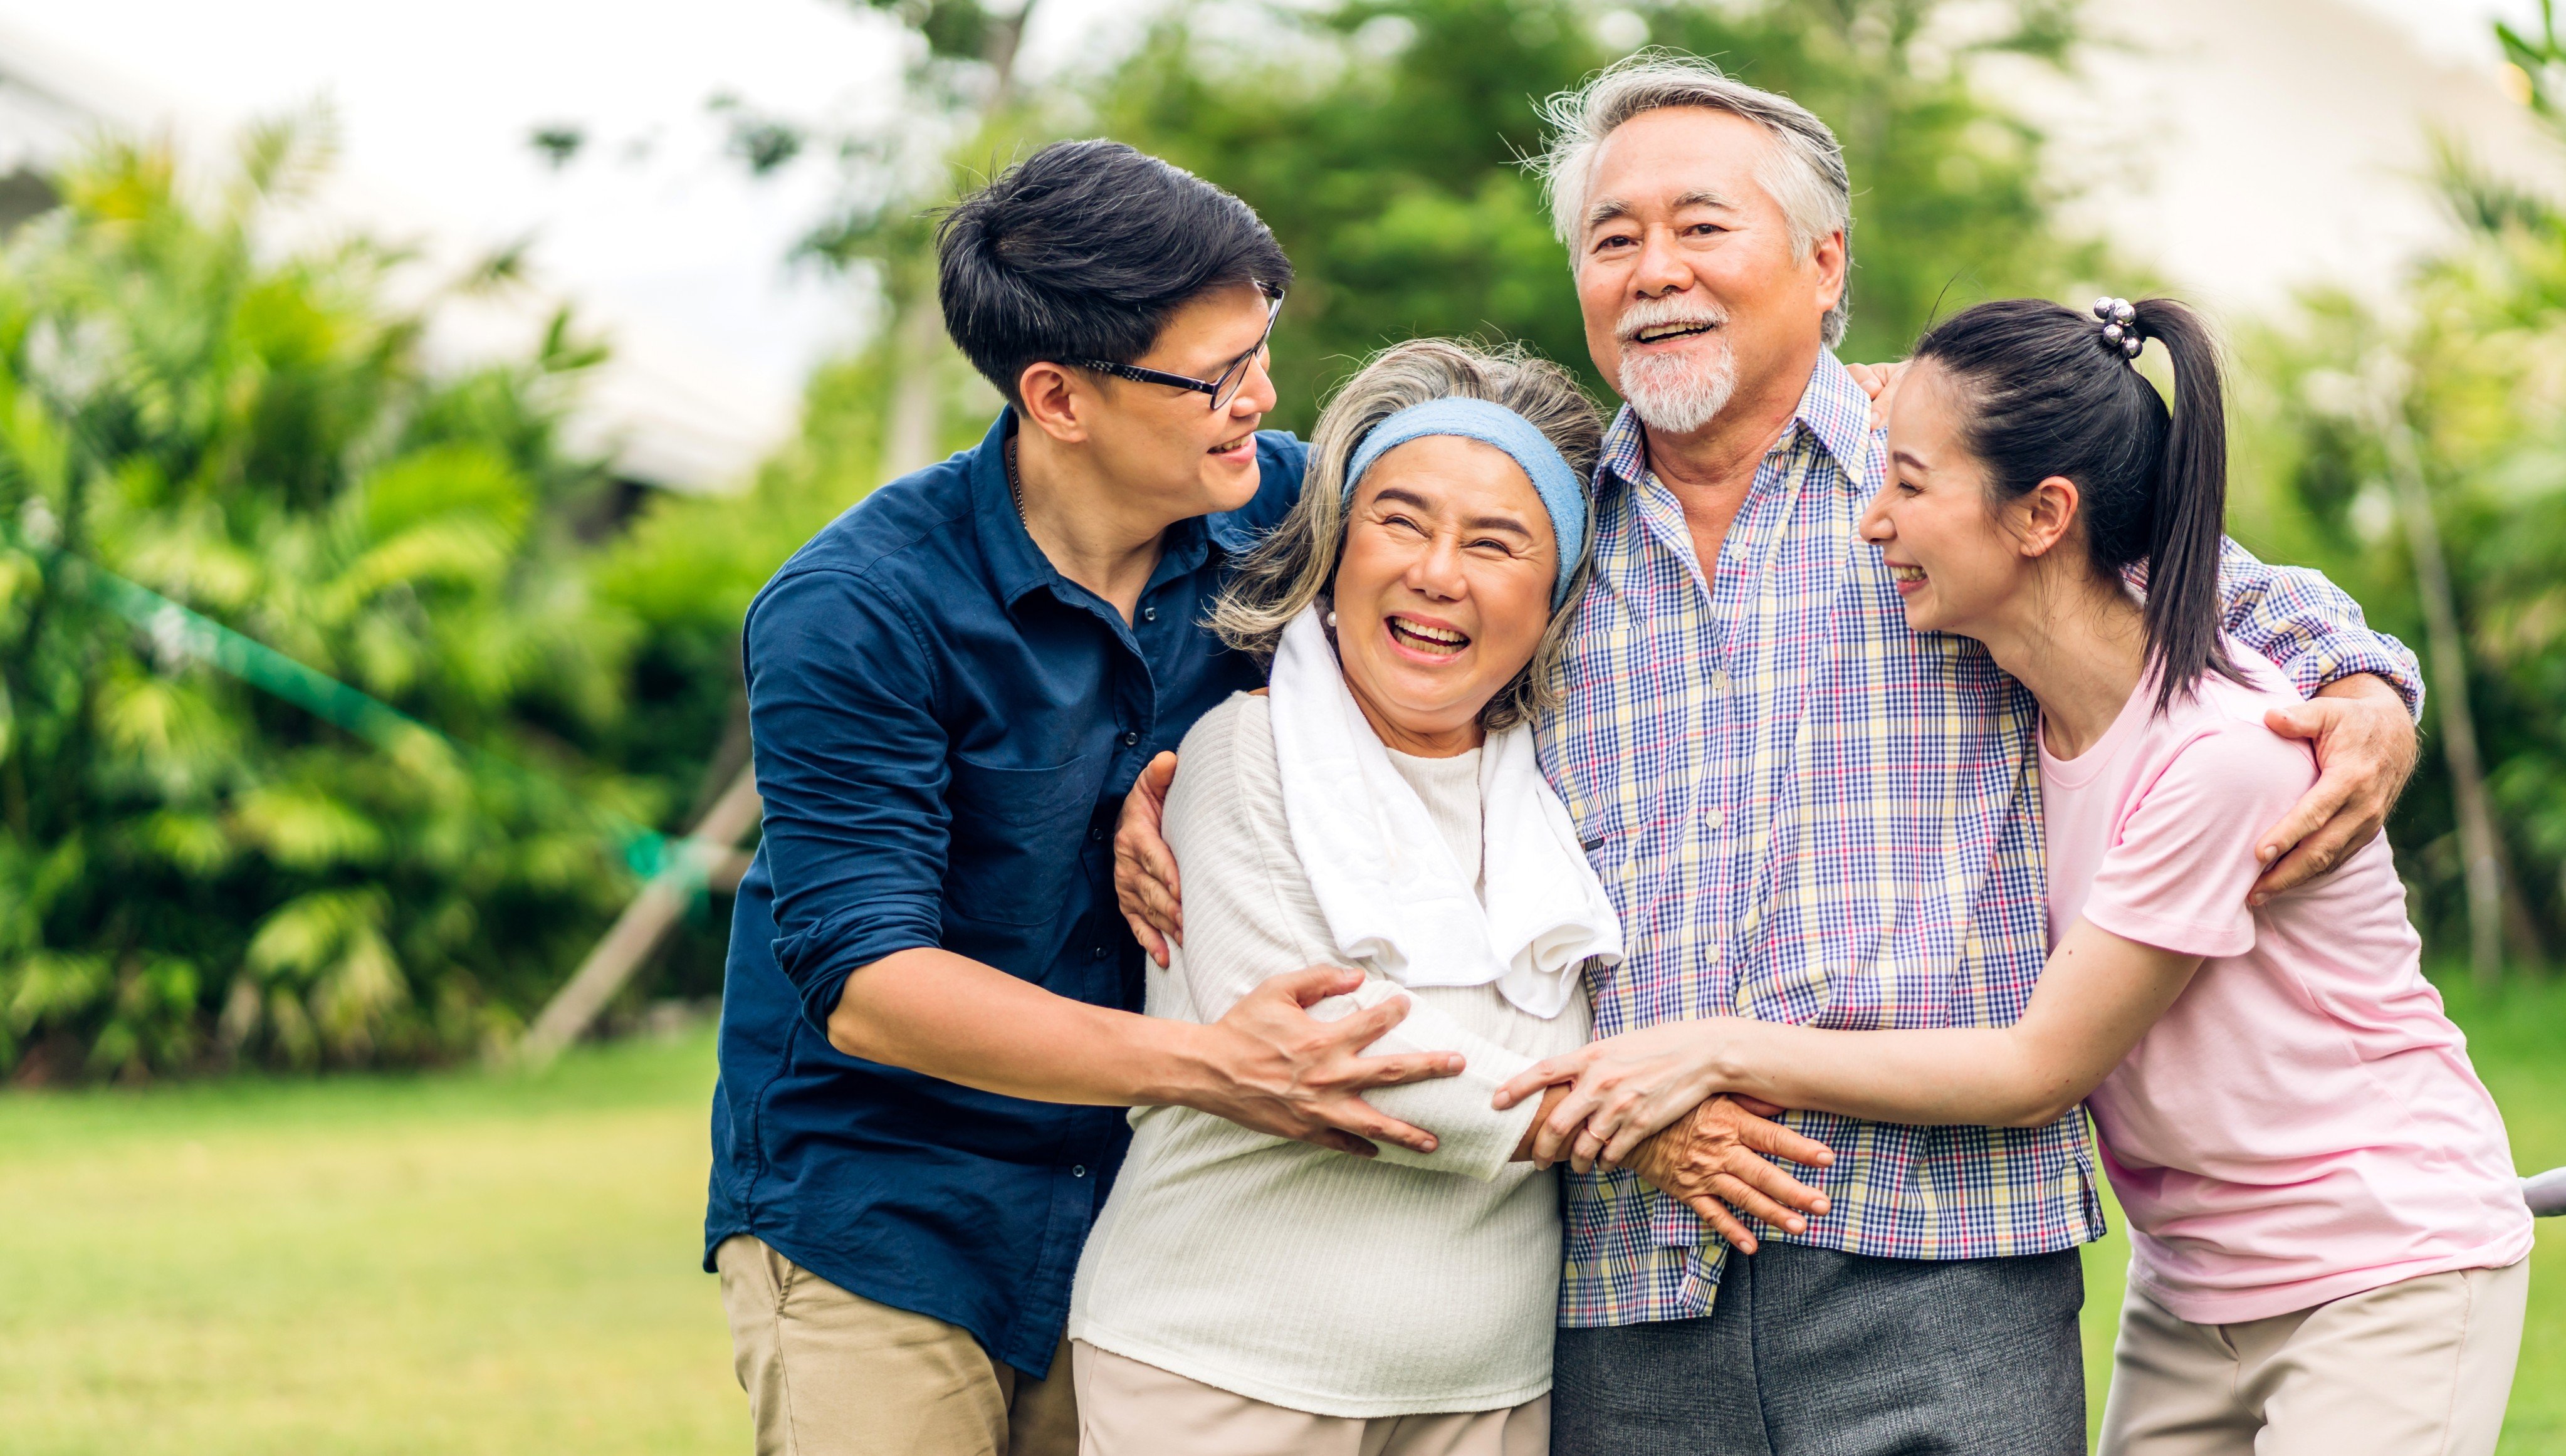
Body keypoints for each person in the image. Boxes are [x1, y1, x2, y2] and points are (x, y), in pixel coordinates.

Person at [1117, 55, 2429, 1453]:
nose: (1651, 269)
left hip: (1941, 1252)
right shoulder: (1547, 539)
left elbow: (2197, 587)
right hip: (1626, 1265)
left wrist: (2364, 682)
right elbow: (1354, 665)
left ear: (1823, 264)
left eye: (1700, 226)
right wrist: (1149, 780)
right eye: (1611, 239)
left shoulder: (1938, 477)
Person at [1504, 294, 2537, 1456]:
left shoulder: (2227, 757)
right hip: (2193, 1282)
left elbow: (2035, 1067)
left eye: (1905, 487)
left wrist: (1715, 1047)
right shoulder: (2021, 714)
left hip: (2377, 1258)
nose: (1868, 524)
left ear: (2044, 515)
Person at [704, 140, 1479, 1456]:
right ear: (1057, 397)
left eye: (1262, 349)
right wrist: (1220, 1068)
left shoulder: (1286, 511)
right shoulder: (856, 610)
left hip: (1144, 1214)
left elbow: (1526, 506)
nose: (1261, 396)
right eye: (1216, 376)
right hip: (884, 1202)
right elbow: (873, 984)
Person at [1068, 339, 1835, 1456]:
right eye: (1400, 522)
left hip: (1488, 1393)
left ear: (1559, 586)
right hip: (1220, 1368)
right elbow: (1329, 1038)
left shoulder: (1569, 777)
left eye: (1495, 542)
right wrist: (1634, 1132)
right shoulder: (1245, 753)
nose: (1438, 572)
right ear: (1335, 546)